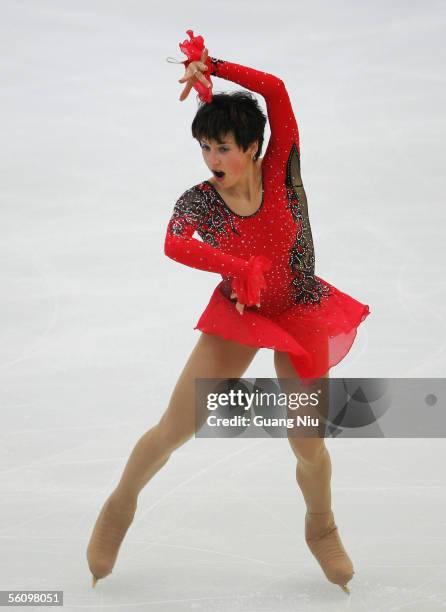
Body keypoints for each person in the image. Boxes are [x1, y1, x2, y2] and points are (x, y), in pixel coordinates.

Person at [86, 41, 370, 595]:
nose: (212, 159)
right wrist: (237, 266)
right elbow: (173, 243)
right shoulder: (200, 200)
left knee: (308, 442)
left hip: (300, 308)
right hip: (240, 315)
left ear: (255, 146)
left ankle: (321, 526)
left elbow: (277, 91)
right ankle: (120, 505)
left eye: (222, 147)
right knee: (175, 429)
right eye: (204, 148)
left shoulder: (283, 163)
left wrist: (215, 68)